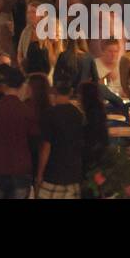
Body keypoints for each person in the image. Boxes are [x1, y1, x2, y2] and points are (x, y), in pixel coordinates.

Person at [0, 65, 38, 199]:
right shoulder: (27, 112)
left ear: (4, 86)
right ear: (21, 86)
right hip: (21, 171)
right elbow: (34, 143)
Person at [35, 68, 86, 199]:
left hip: (53, 173)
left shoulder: (49, 114)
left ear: (54, 91)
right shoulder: (78, 114)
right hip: (73, 173)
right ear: (71, 91)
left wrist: (39, 174)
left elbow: (46, 146)